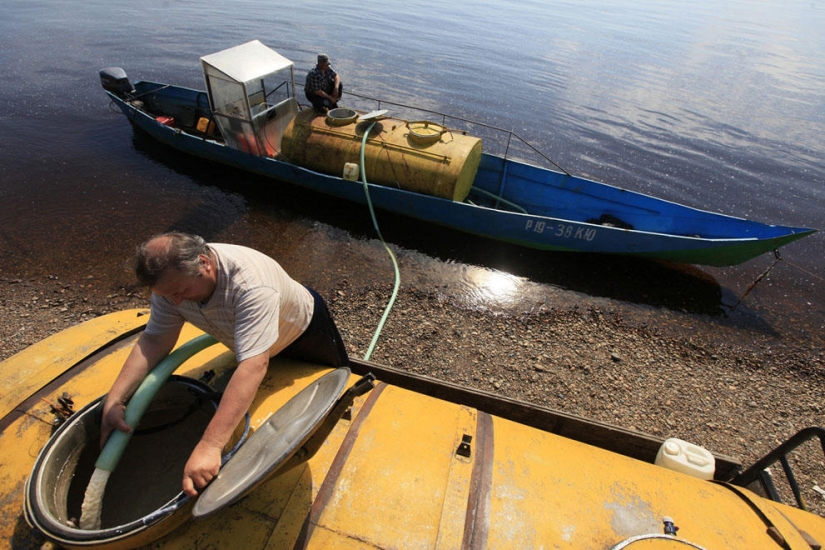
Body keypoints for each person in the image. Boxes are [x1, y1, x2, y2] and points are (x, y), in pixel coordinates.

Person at [100, 232, 348, 497]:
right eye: (167, 296)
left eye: (182, 291)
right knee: (248, 354)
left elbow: (253, 366)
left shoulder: (251, 285)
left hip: (302, 332)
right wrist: (114, 400)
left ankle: (344, 416)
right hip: (242, 336)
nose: (176, 302)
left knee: (339, 380)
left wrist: (210, 444)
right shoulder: (172, 285)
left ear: (204, 263)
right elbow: (155, 339)